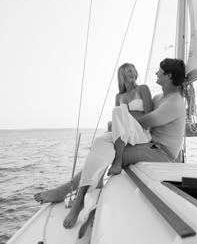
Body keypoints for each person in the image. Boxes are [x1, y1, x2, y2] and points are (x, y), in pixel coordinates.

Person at [34, 58, 186, 232]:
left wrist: (116, 123)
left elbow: (143, 122)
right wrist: (116, 125)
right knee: (101, 145)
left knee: (108, 150)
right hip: (147, 144)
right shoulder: (160, 97)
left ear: (169, 75)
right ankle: (74, 193)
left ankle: (73, 195)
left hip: (160, 152)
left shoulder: (174, 103)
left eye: (160, 71)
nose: (156, 73)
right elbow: (134, 119)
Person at [107, 62, 153, 176]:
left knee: (117, 111)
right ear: (122, 75)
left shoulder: (143, 89)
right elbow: (120, 120)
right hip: (126, 133)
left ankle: (118, 160)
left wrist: (126, 113)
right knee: (100, 140)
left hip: (141, 133)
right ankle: (95, 184)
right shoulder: (119, 96)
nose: (133, 73)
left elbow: (148, 117)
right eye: (129, 71)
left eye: (134, 70)